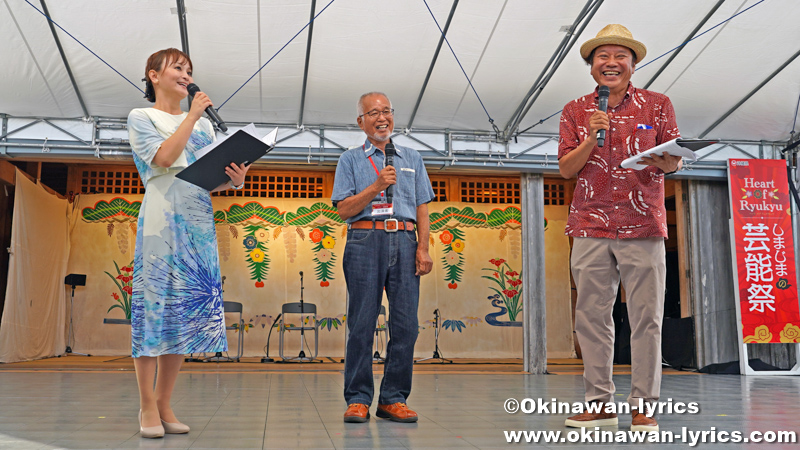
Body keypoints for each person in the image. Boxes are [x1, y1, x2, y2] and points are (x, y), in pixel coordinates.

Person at [557, 25, 682, 433]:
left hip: (643, 224)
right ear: (592, 66)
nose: (610, 63)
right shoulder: (575, 110)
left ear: (633, 63)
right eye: (602, 57)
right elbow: (565, 169)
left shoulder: (658, 105)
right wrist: (593, 138)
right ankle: (599, 403)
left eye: (619, 56)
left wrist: (669, 164)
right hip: (590, 224)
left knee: (647, 317)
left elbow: (674, 157)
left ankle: (644, 404)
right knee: (591, 317)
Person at [127, 48, 250, 438]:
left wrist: (233, 180)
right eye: (178, 68)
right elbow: (164, 159)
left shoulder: (204, 128)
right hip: (162, 215)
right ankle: (146, 404)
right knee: (154, 308)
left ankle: (165, 402)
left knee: (182, 312)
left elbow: (202, 177)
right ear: (153, 75)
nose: (185, 74)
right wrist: (193, 115)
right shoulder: (142, 117)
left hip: (198, 217)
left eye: (189, 69)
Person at [331, 92, 435, 423]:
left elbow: (422, 204)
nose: (382, 118)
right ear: (360, 121)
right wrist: (377, 185)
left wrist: (423, 246)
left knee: (406, 325)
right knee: (361, 322)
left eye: (387, 111)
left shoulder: (412, 157)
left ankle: (392, 398)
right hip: (364, 238)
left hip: (405, 240)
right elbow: (343, 209)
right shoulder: (349, 160)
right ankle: (358, 397)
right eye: (373, 112)